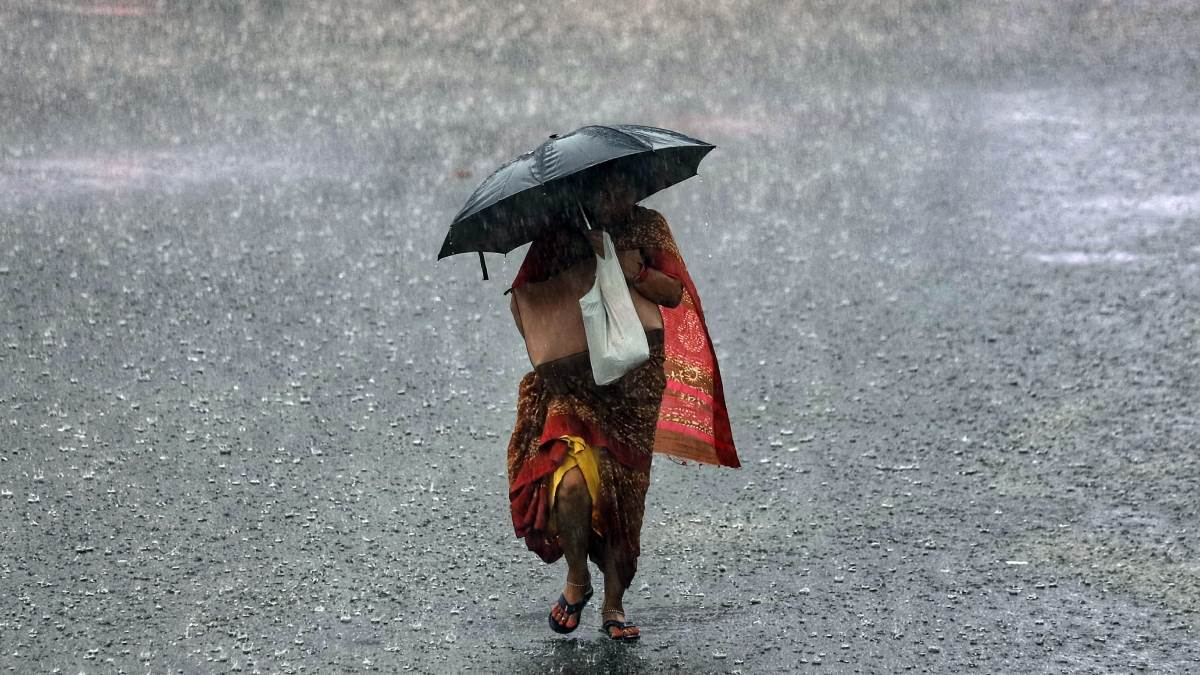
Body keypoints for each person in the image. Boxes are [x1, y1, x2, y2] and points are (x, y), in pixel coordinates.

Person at [505, 182, 740, 641]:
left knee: (622, 500)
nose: (615, 198)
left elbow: (672, 293)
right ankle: (578, 581)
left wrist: (632, 270)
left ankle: (614, 604)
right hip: (575, 384)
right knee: (569, 484)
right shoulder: (561, 233)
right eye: (605, 190)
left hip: (634, 388)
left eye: (622, 188)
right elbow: (525, 303)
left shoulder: (649, 227)